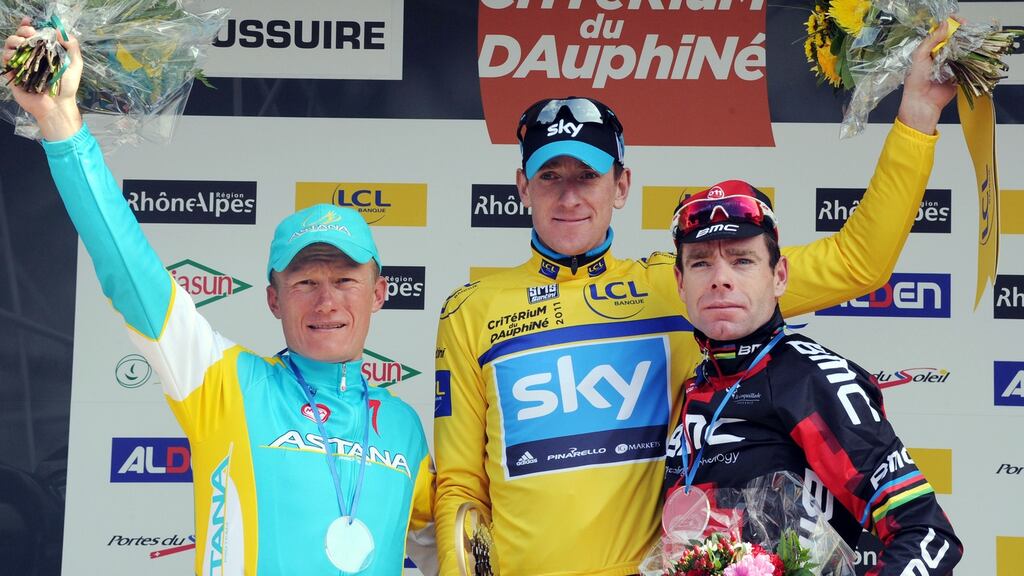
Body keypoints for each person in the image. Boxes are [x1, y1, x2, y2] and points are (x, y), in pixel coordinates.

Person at [432, 24, 959, 576]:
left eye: (588, 175)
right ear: (522, 186)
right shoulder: (471, 310)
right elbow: (462, 489)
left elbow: (859, 260)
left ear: (622, 185)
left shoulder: (686, 282)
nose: (569, 195)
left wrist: (918, 115)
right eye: (549, 176)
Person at [3, 21, 436, 575]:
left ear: (378, 294)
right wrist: (61, 126)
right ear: (274, 300)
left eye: (345, 280)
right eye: (304, 281)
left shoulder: (404, 429)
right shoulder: (227, 384)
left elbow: (450, 545)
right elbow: (129, 271)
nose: (326, 300)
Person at [663, 179, 962, 573]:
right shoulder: (688, 384)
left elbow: (927, 535)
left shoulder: (811, 381)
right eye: (701, 262)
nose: (720, 278)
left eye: (742, 260)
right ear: (681, 282)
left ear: (780, 276)